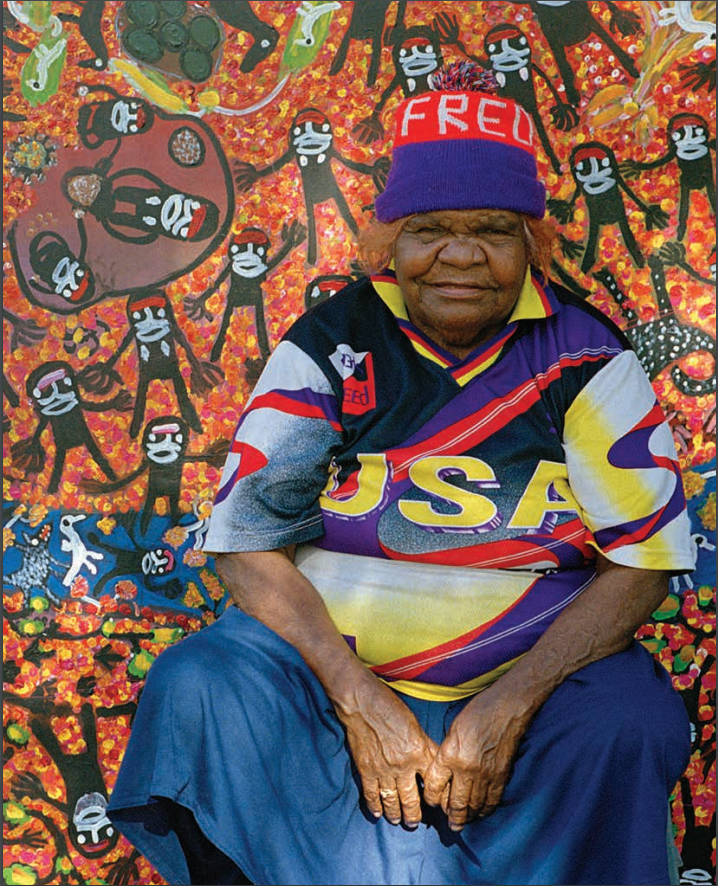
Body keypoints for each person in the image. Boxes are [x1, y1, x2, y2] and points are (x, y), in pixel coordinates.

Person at [107, 63, 694, 886]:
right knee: (200, 683)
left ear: (534, 243)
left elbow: (643, 561)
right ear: (389, 245)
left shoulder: (585, 355)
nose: (459, 256)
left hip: (529, 676)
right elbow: (246, 540)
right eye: (428, 230)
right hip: (333, 671)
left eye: (491, 229)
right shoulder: (331, 341)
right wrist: (356, 696)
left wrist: (510, 704)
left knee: (628, 720)